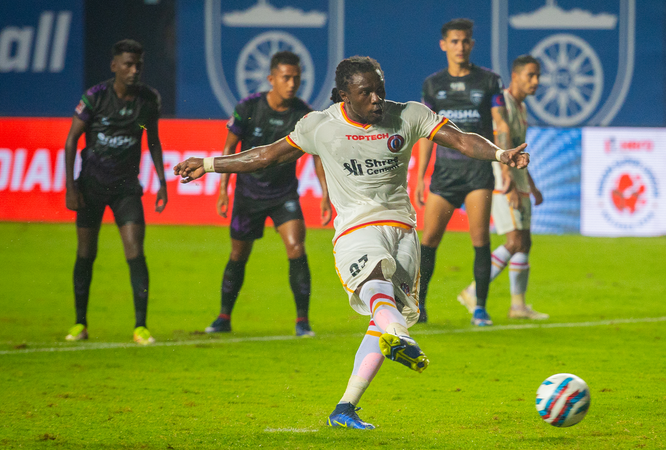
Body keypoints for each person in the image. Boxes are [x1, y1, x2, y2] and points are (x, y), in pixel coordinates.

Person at [173, 56, 529, 429]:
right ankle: (400, 336)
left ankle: (345, 406)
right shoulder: (320, 126)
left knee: (383, 316)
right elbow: (266, 155)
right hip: (356, 228)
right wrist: (209, 164)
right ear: (345, 95)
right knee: (377, 287)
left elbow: (460, 139)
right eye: (366, 93)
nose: (376, 99)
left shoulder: (408, 115)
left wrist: (500, 154)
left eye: (380, 91)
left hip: (402, 230)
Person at [204, 51, 331, 337]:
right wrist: (223, 189)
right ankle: (223, 317)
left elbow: (317, 157)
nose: (292, 83)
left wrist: (325, 194)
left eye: (297, 78)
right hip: (248, 195)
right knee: (238, 254)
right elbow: (229, 149)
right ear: (271, 78)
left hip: (284, 195)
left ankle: (302, 322)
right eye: (286, 78)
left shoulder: (303, 114)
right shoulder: (248, 107)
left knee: (296, 248)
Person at [64, 39, 167, 345]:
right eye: (128, 64)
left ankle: (141, 327)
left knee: (135, 252)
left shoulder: (148, 99)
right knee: (86, 253)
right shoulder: (95, 97)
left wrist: (162, 182)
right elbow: (71, 141)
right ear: (114, 66)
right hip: (91, 187)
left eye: (138, 65)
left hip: (126, 189)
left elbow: (153, 141)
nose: (134, 70)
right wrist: (71, 187)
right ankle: (80, 323)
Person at [415, 18, 512, 326]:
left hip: (477, 173)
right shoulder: (433, 85)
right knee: (429, 239)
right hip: (444, 174)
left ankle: (480, 308)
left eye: (465, 41)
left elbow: (501, 124)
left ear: (472, 44)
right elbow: (426, 132)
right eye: (454, 41)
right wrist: (419, 176)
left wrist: (504, 163)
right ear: (444, 44)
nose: (460, 46)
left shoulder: (489, 81)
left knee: (480, 237)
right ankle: (418, 305)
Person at [458, 55, 548, 320]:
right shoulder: (503, 103)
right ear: (515, 76)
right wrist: (508, 182)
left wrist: (531, 186)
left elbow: (518, 152)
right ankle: (472, 291)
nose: (536, 81)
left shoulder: (521, 107)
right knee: (514, 241)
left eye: (538, 76)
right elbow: (501, 143)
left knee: (525, 242)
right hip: (503, 181)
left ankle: (518, 306)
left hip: (519, 181)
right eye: (530, 75)